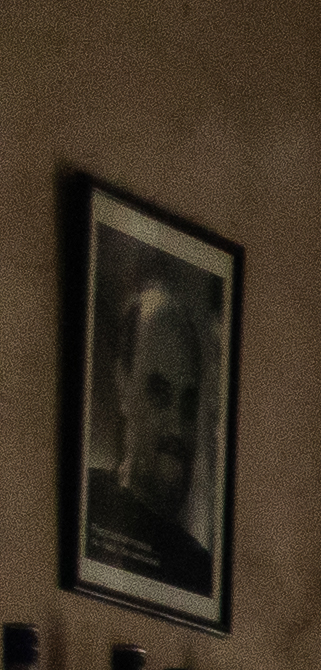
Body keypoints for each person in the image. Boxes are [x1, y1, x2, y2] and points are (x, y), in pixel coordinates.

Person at [78, 235, 221, 609]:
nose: (176, 426)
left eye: (188, 404)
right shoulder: (87, 505)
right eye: (159, 393)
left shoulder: (200, 570)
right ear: (124, 387)